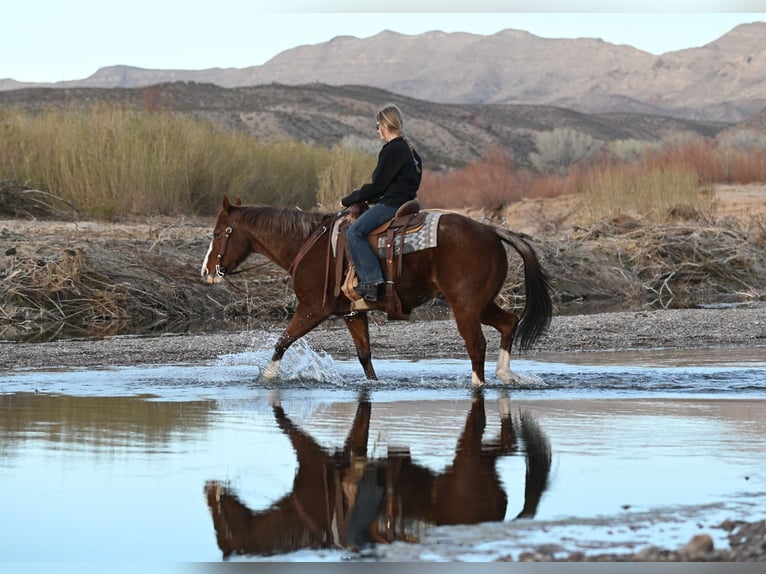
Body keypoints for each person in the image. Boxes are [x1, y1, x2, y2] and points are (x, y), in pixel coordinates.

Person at [340, 104, 422, 302]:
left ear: (385, 124)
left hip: (393, 204)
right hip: (406, 201)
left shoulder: (392, 149)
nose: (377, 130)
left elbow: (378, 186)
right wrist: (374, 197)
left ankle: (371, 281)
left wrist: (349, 199)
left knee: (354, 232)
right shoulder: (411, 151)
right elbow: (397, 183)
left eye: (377, 126)